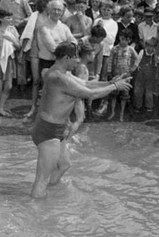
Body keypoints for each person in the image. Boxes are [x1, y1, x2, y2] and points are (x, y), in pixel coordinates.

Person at [31, 41, 132, 198]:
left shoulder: (65, 74)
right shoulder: (57, 77)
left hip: (58, 129)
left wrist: (111, 82)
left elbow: (87, 84)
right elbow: (89, 94)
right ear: (66, 57)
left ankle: (46, 197)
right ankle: (36, 210)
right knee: (41, 179)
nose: (77, 61)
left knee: (64, 165)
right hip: (48, 131)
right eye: (75, 58)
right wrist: (114, 87)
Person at [106, 29, 138, 121]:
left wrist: (132, 69)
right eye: (122, 39)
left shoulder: (131, 49)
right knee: (114, 94)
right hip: (115, 74)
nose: (124, 41)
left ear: (129, 40)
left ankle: (122, 114)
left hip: (126, 75)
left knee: (124, 95)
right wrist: (109, 72)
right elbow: (110, 60)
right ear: (120, 38)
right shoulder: (115, 49)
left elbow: (137, 59)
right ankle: (112, 112)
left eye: (126, 40)